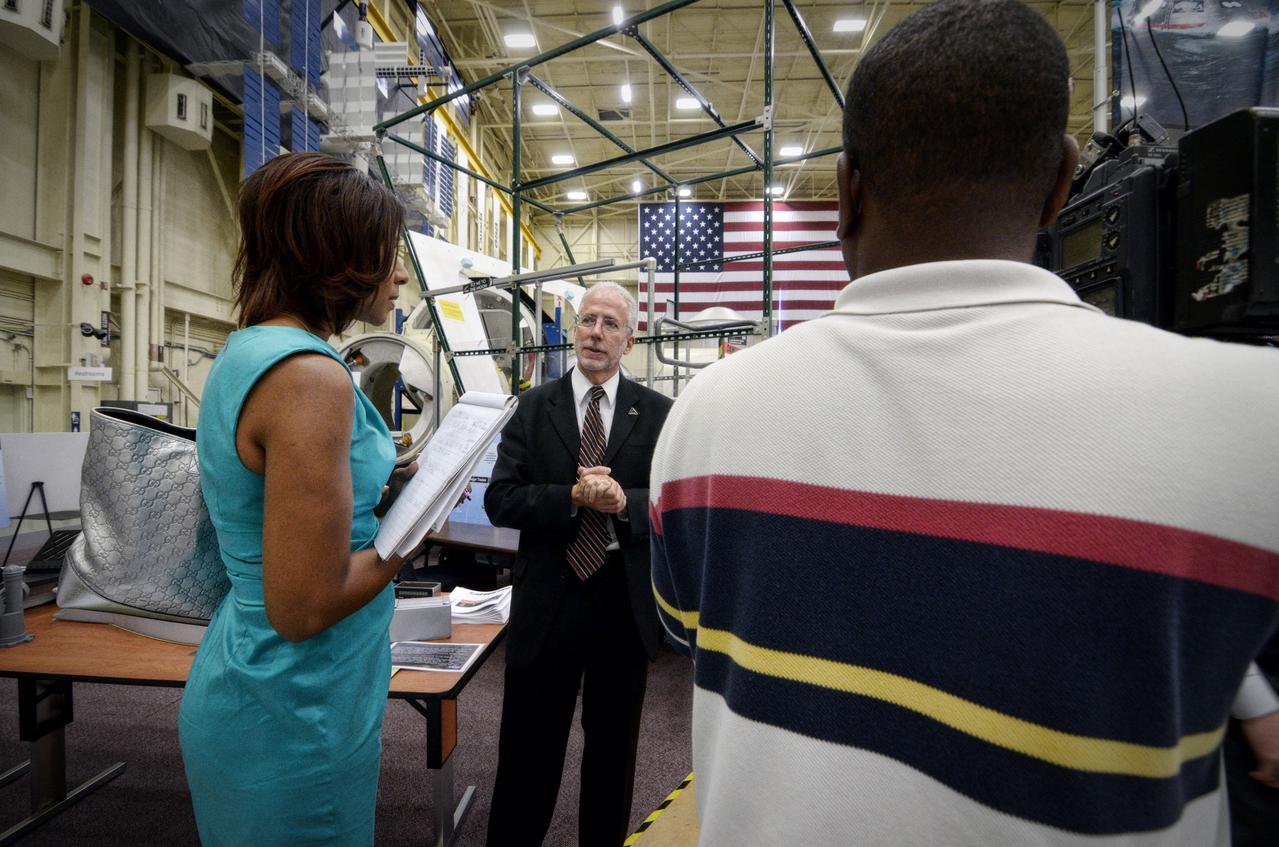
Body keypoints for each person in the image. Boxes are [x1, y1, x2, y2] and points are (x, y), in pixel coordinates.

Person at [649, 1, 1279, 844]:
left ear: (846, 188)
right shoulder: (1248, 415)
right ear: (1061, 182)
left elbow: (687, 626)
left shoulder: (705, 418)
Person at [179, 152, 413, 845]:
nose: (398, 272)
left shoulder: (253, 349)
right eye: (388, 252)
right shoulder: (310, 376)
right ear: (339, 256)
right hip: (291, 706)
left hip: (273, 688)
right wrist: (411, 530)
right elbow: (304, 605)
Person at [484, 281, 673, 846]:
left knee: (613, 758)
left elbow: (672, 502)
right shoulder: (532, 409)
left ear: (630, 340)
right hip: (550, 597)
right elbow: (501, 500)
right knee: (527, 753)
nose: (596, 332)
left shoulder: (660, 413)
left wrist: (626, 504)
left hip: (621, 601)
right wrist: (569, 497)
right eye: (588, 320)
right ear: (572, 329)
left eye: (611, 324)